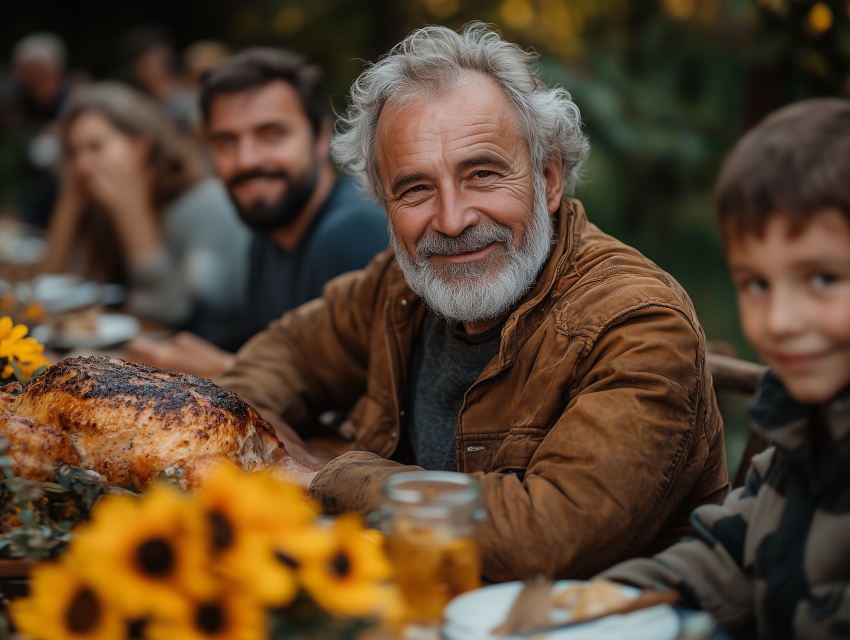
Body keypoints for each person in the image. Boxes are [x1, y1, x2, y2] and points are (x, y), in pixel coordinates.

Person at [217, 24, 729, 582]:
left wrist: (322, 479)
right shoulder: (398, 284)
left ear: (549, 178)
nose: (453, 219)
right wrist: (274, 456)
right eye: (415, 188)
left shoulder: (638, 322)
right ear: (384, 206)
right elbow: (278, 357)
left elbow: (550, 535)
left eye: (482, 174)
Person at [598, 99, 850, 639]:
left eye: (823, 279)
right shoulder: (805, 433)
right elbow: (729, 557)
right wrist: (595, 606)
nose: (780, 320)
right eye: (757, 283)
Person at [125, 49, 389, 379]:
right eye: (226, 141)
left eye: (272, 134)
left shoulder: (352, 232)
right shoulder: (267, 233)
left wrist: (228, 371)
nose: (247, 159)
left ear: (321, 138)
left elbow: (367, 409)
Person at [38, 82, 250, 347]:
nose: (82, 165)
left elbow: (169, 315)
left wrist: (133, 216)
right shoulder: (100, 208)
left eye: (95, 147)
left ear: (141, 147)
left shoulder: (203, 203)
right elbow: (50, 288)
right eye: (73, 152)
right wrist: (68, 205)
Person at [10, 32, 70, 228]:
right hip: (36, 205)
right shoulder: (27, 105)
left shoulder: (73, 104)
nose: (19, 76)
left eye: (24, 69)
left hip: (64, 204)